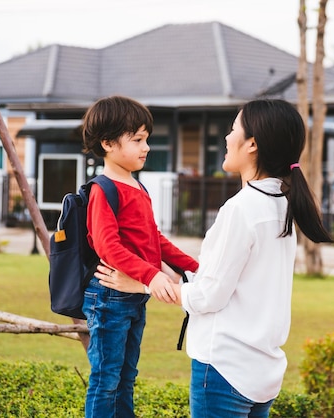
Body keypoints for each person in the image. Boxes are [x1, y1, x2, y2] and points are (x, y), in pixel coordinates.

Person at [96, 98, 333, 418]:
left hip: (226, 369)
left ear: (251, 144)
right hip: (263, 372)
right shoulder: (281, 204)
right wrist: (181, 275)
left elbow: (208, 296)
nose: (226, 137)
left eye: (233, 129)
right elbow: (231, 283)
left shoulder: (242, 209)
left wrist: (143, 285)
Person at [81, 95, 199, 418]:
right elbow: (108, 247)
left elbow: (154, 241)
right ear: (107, 143)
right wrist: (152, 275)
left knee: (126, 377)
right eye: (137, 140)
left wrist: (195, 266)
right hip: (108, 298)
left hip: (133, 297)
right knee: (106, 379)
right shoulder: (103, 190)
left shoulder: (138, 188)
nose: (146, 147)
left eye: (146, 139)